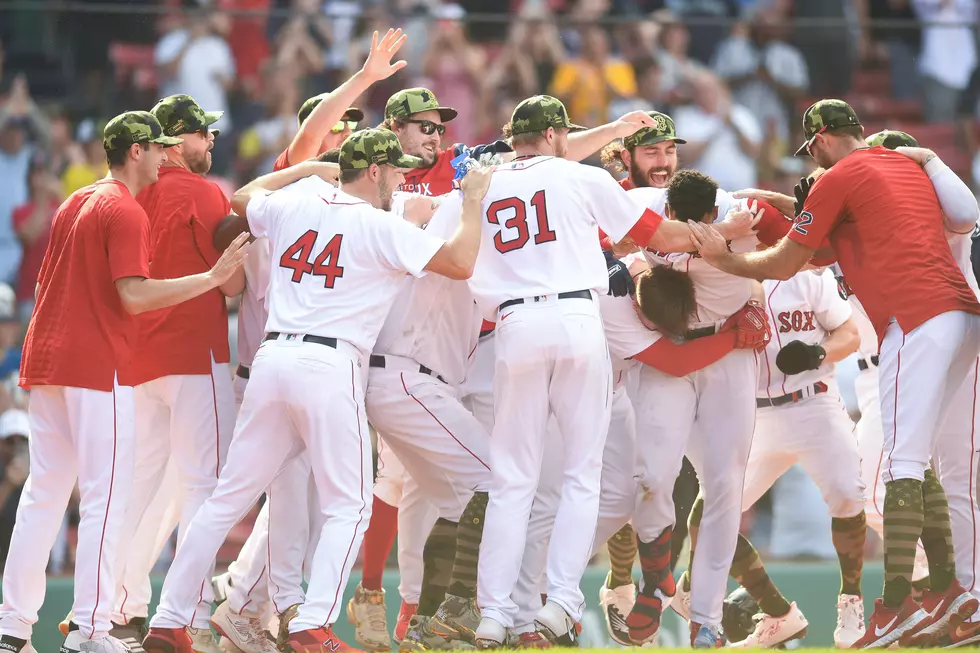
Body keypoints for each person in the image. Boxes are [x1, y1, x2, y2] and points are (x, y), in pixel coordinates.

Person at [142, 128, 491, 653]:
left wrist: (306, 170)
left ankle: (168, 617)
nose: (400, 179)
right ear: (372, 171)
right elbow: (461, 262)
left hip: (272, 357)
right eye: (393, 170)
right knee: (349, 506)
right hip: (330, 364)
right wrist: (472, 202)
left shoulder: (294, 205)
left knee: (225, 501)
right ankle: (312, 624)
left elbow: (241, 197)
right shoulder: (378, 225)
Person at [689, 99, 980, 648]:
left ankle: (900, 603)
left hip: (913, 324)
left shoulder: (839, 178)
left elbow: (784, 262)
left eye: (812, 153)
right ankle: (958, 592)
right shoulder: (907, 168)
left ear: (819, 140)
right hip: (963, 316)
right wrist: (931, 160)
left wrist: (723, 258)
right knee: (943, 474)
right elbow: (963, 214)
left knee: (901, 468)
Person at [465, 95, 754, 648]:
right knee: (581, 477)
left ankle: (494, 614)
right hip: (577, 316)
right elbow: (661, 237)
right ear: (554, 135)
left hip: (512, 325)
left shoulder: (484, 181)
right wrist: (717, 233)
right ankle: (562, 604)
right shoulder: (581, 178)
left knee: (512, 480)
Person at [0, 111, 247, 653]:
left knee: (42, 497)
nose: (165, 156)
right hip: (94, 366)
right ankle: (92, 630)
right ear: (136, 152)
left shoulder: (76, 200)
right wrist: (209, 278)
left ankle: (13, 629)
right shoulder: (124, 208)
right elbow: (134, 295)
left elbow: (45, 282)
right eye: (157, 148)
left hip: (46, 365)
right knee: (105, 500)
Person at [210, 30, 409, 652]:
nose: (345, 135)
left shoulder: (342, 203)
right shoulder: (293, 186)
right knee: (296, 505)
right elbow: (305, 142)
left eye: (353, 128)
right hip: (276, 360)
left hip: (291, 360)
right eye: (337, 127)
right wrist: (364, 79)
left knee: (309, 505)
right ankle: (253, 606)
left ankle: (253, 604)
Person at [98, 94, 241, 653]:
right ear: (178, 141)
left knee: (141, 488)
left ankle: (117, 607)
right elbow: (232, 285)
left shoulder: (131, 191)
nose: (211, 142)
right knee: (205, 485)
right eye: (203, 134)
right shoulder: (204, 191)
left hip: (138, 360)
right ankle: (193, 613)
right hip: (193, 353)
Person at [681, 265, 867, 649]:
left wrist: (818, 351)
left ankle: (851, 600)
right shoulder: (719, 278)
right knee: (709, 514)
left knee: (850, 494)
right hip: (754, 413)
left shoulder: (808, 276)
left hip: (812, 401)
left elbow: (850, 335)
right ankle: (778, 614)